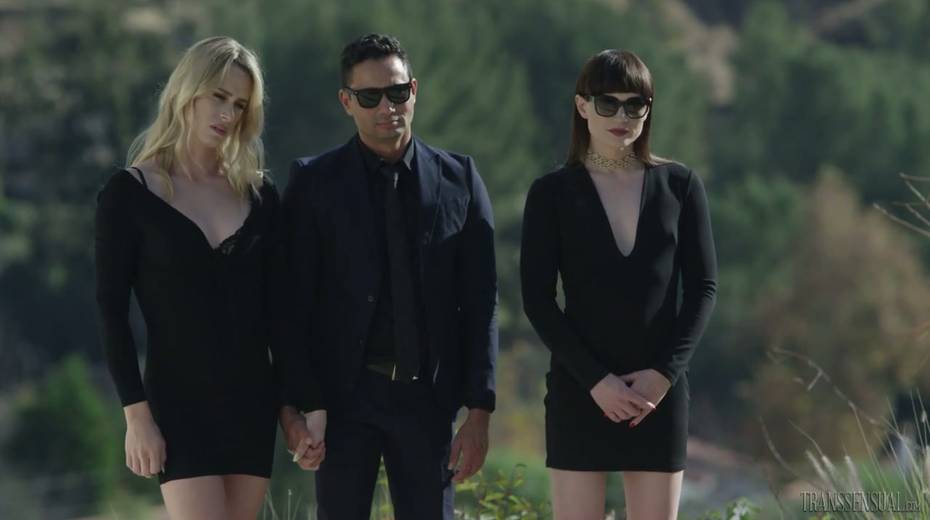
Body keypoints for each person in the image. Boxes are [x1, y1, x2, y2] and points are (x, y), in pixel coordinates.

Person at [272, 33, 498, 519]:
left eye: (396, 92)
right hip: (343, 401)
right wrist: (295, 408)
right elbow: (291, 305)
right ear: (346, 102)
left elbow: (482, 302)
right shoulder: (313, 184)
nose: (387, 108)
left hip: (428, 401)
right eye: (370, 97)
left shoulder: (460, 178)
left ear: (413, 90)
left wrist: (480, 411)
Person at [520, 49, 717, 519]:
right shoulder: (551, 194)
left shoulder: (681, 186)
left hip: (658, 396)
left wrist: (663, 374)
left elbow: (704, 289)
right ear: (582, 106)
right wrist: (596, 381)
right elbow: (537, 300)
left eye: (635, 104)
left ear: (649, 110)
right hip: (579, 389)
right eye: (607, 103)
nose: (622, 116)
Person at [95, 36, 283, 520]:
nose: (228, 113)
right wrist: (136, 416)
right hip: (178, 405)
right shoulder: (128, 194)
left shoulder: (261, 196)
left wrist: (295, 407)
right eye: (218, 96)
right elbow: (112, 312)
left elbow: (281, 313)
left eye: (239, 104)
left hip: (251, 402)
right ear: (187, 91)